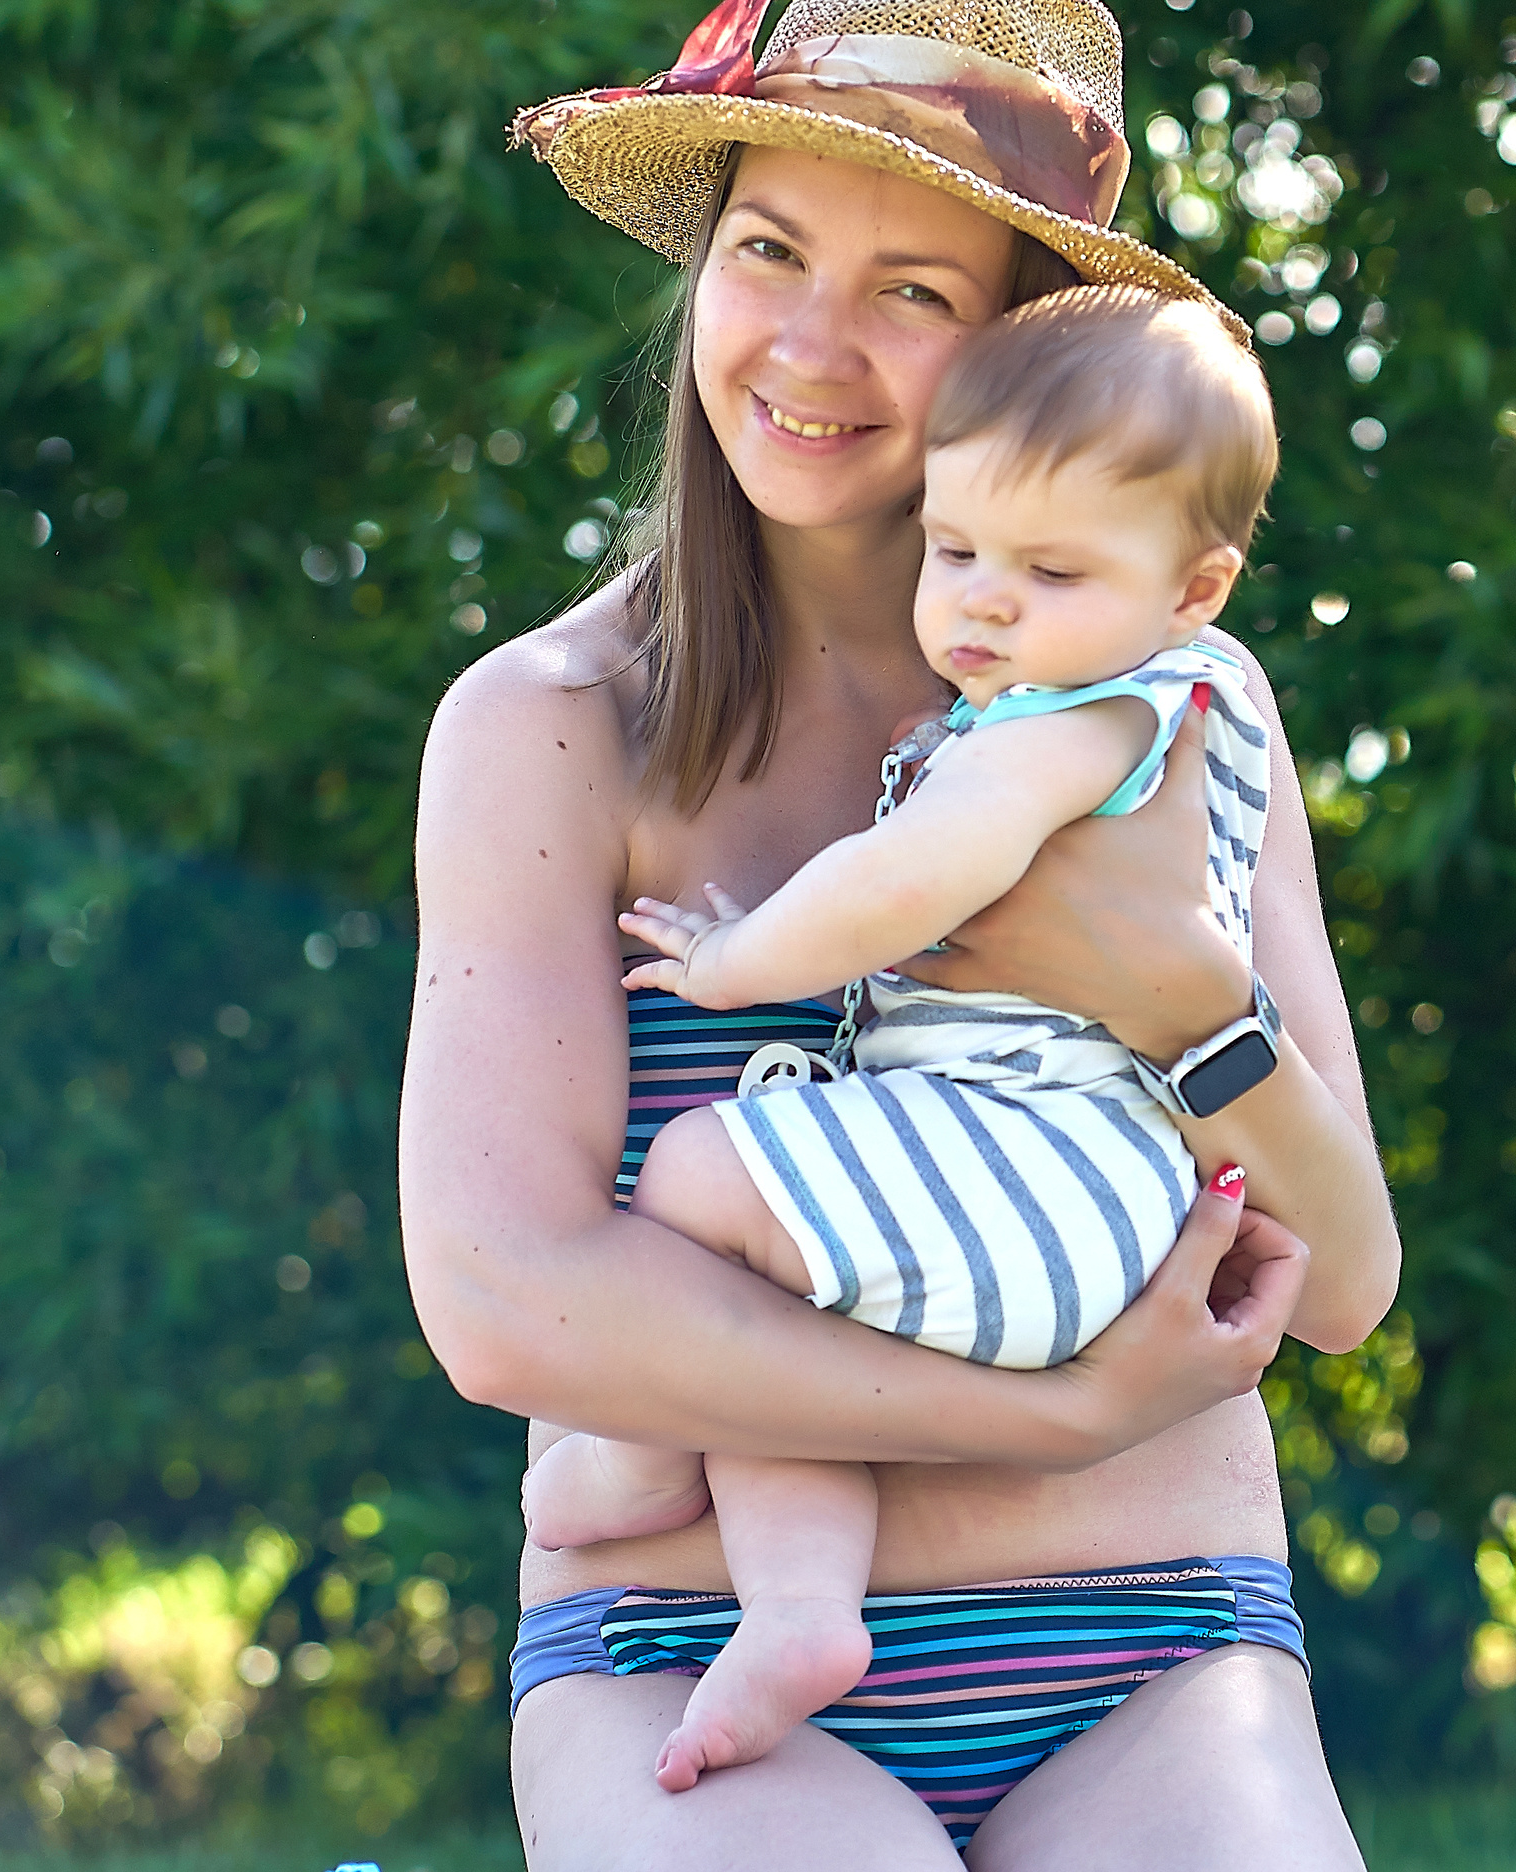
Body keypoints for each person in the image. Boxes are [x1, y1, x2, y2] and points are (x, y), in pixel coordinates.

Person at [399, 0, 1400, 1870]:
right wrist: (1045, 1414)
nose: (811, 342)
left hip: (1153, 1640)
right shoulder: (553, 726)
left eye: (913, 286)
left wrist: (1177, 992)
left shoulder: (1175, 715)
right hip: (688, 1649)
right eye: (768, 249)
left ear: (1024, 339)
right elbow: (512, 1301)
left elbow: (1340, 1278)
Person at [523, 283, 1283, 1798]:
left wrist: (741, 960)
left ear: (1194, 590)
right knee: (756, 1245)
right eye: (958, 552)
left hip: (1052, 1179)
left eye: (1050, 569)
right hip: (1059, 1191)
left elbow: (909, 878)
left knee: (698, 1183)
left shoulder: (1091, 722)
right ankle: (790, 1596)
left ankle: (690, 1492)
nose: (986, 604)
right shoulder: (549, 719)